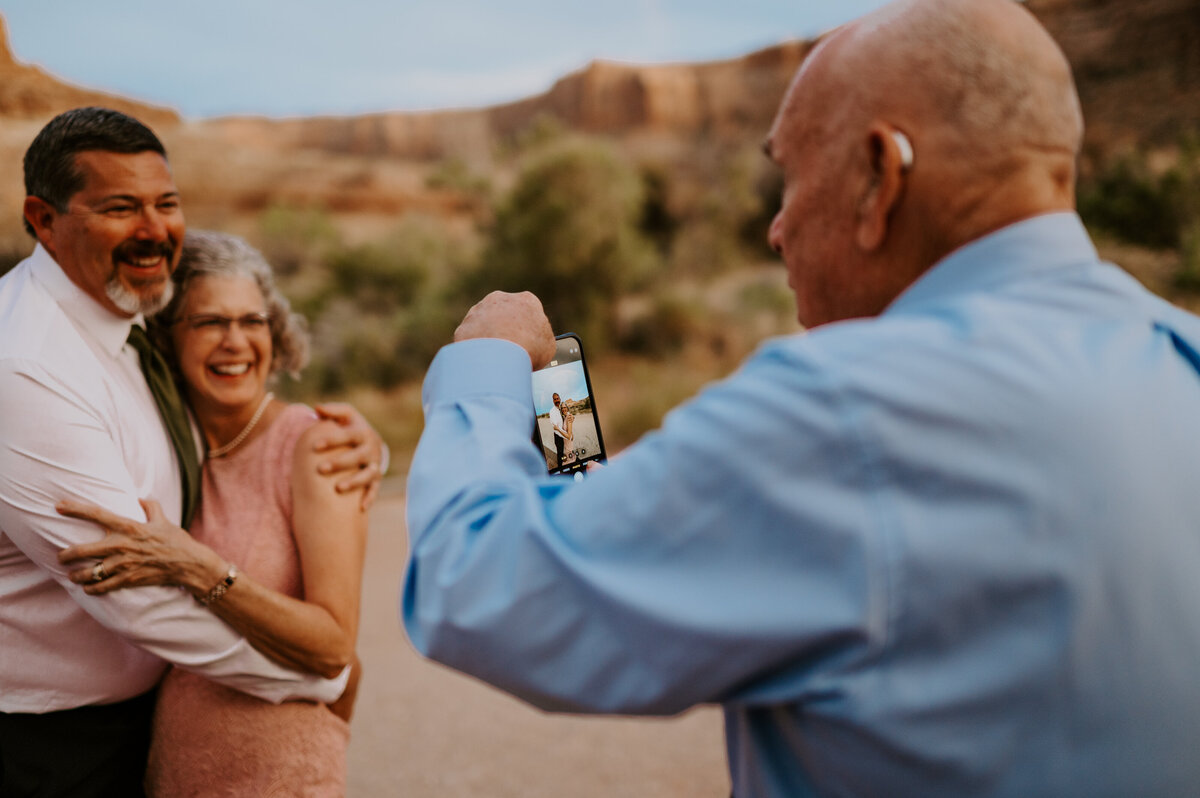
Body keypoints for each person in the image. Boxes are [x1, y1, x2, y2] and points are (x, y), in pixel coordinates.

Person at [401, 1, 1200, 796]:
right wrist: (560, 399)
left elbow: (476, 583)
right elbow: (601, 516)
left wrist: (492, 362)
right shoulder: (1181, 358)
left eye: (789, 174)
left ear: (884, 175)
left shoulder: (843, 410)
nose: (777, 229)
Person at [0, 107, 381, 797]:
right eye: (120, 206)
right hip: (53, 751)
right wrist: (312, 680)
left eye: (165, 203)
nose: (151, 229)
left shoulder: (121, 311)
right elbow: (135, 599)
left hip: (216, 750)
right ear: (43, 219)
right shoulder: (28, 363)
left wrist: (368, 446)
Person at [54, 230, 367, 795]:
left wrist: (197, 568)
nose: (236, 341)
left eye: (253, 321)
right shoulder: (168, 445)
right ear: (167, 338)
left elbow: (334, 647)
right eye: (209, 323)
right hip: (172, 776)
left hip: (281, 780)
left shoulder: (316, 447)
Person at [549, 392, 568, 468]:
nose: (557, 400)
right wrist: (566, 435)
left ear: (560, 399)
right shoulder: (552, 411)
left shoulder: (560, 409)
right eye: (555, 399)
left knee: (563, 452)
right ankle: (561, 468)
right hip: (558, 436)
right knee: (560, 453)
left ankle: (563, 464)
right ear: (553, 401)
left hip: (563, 434)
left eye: (558, 399)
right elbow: (556, 427)